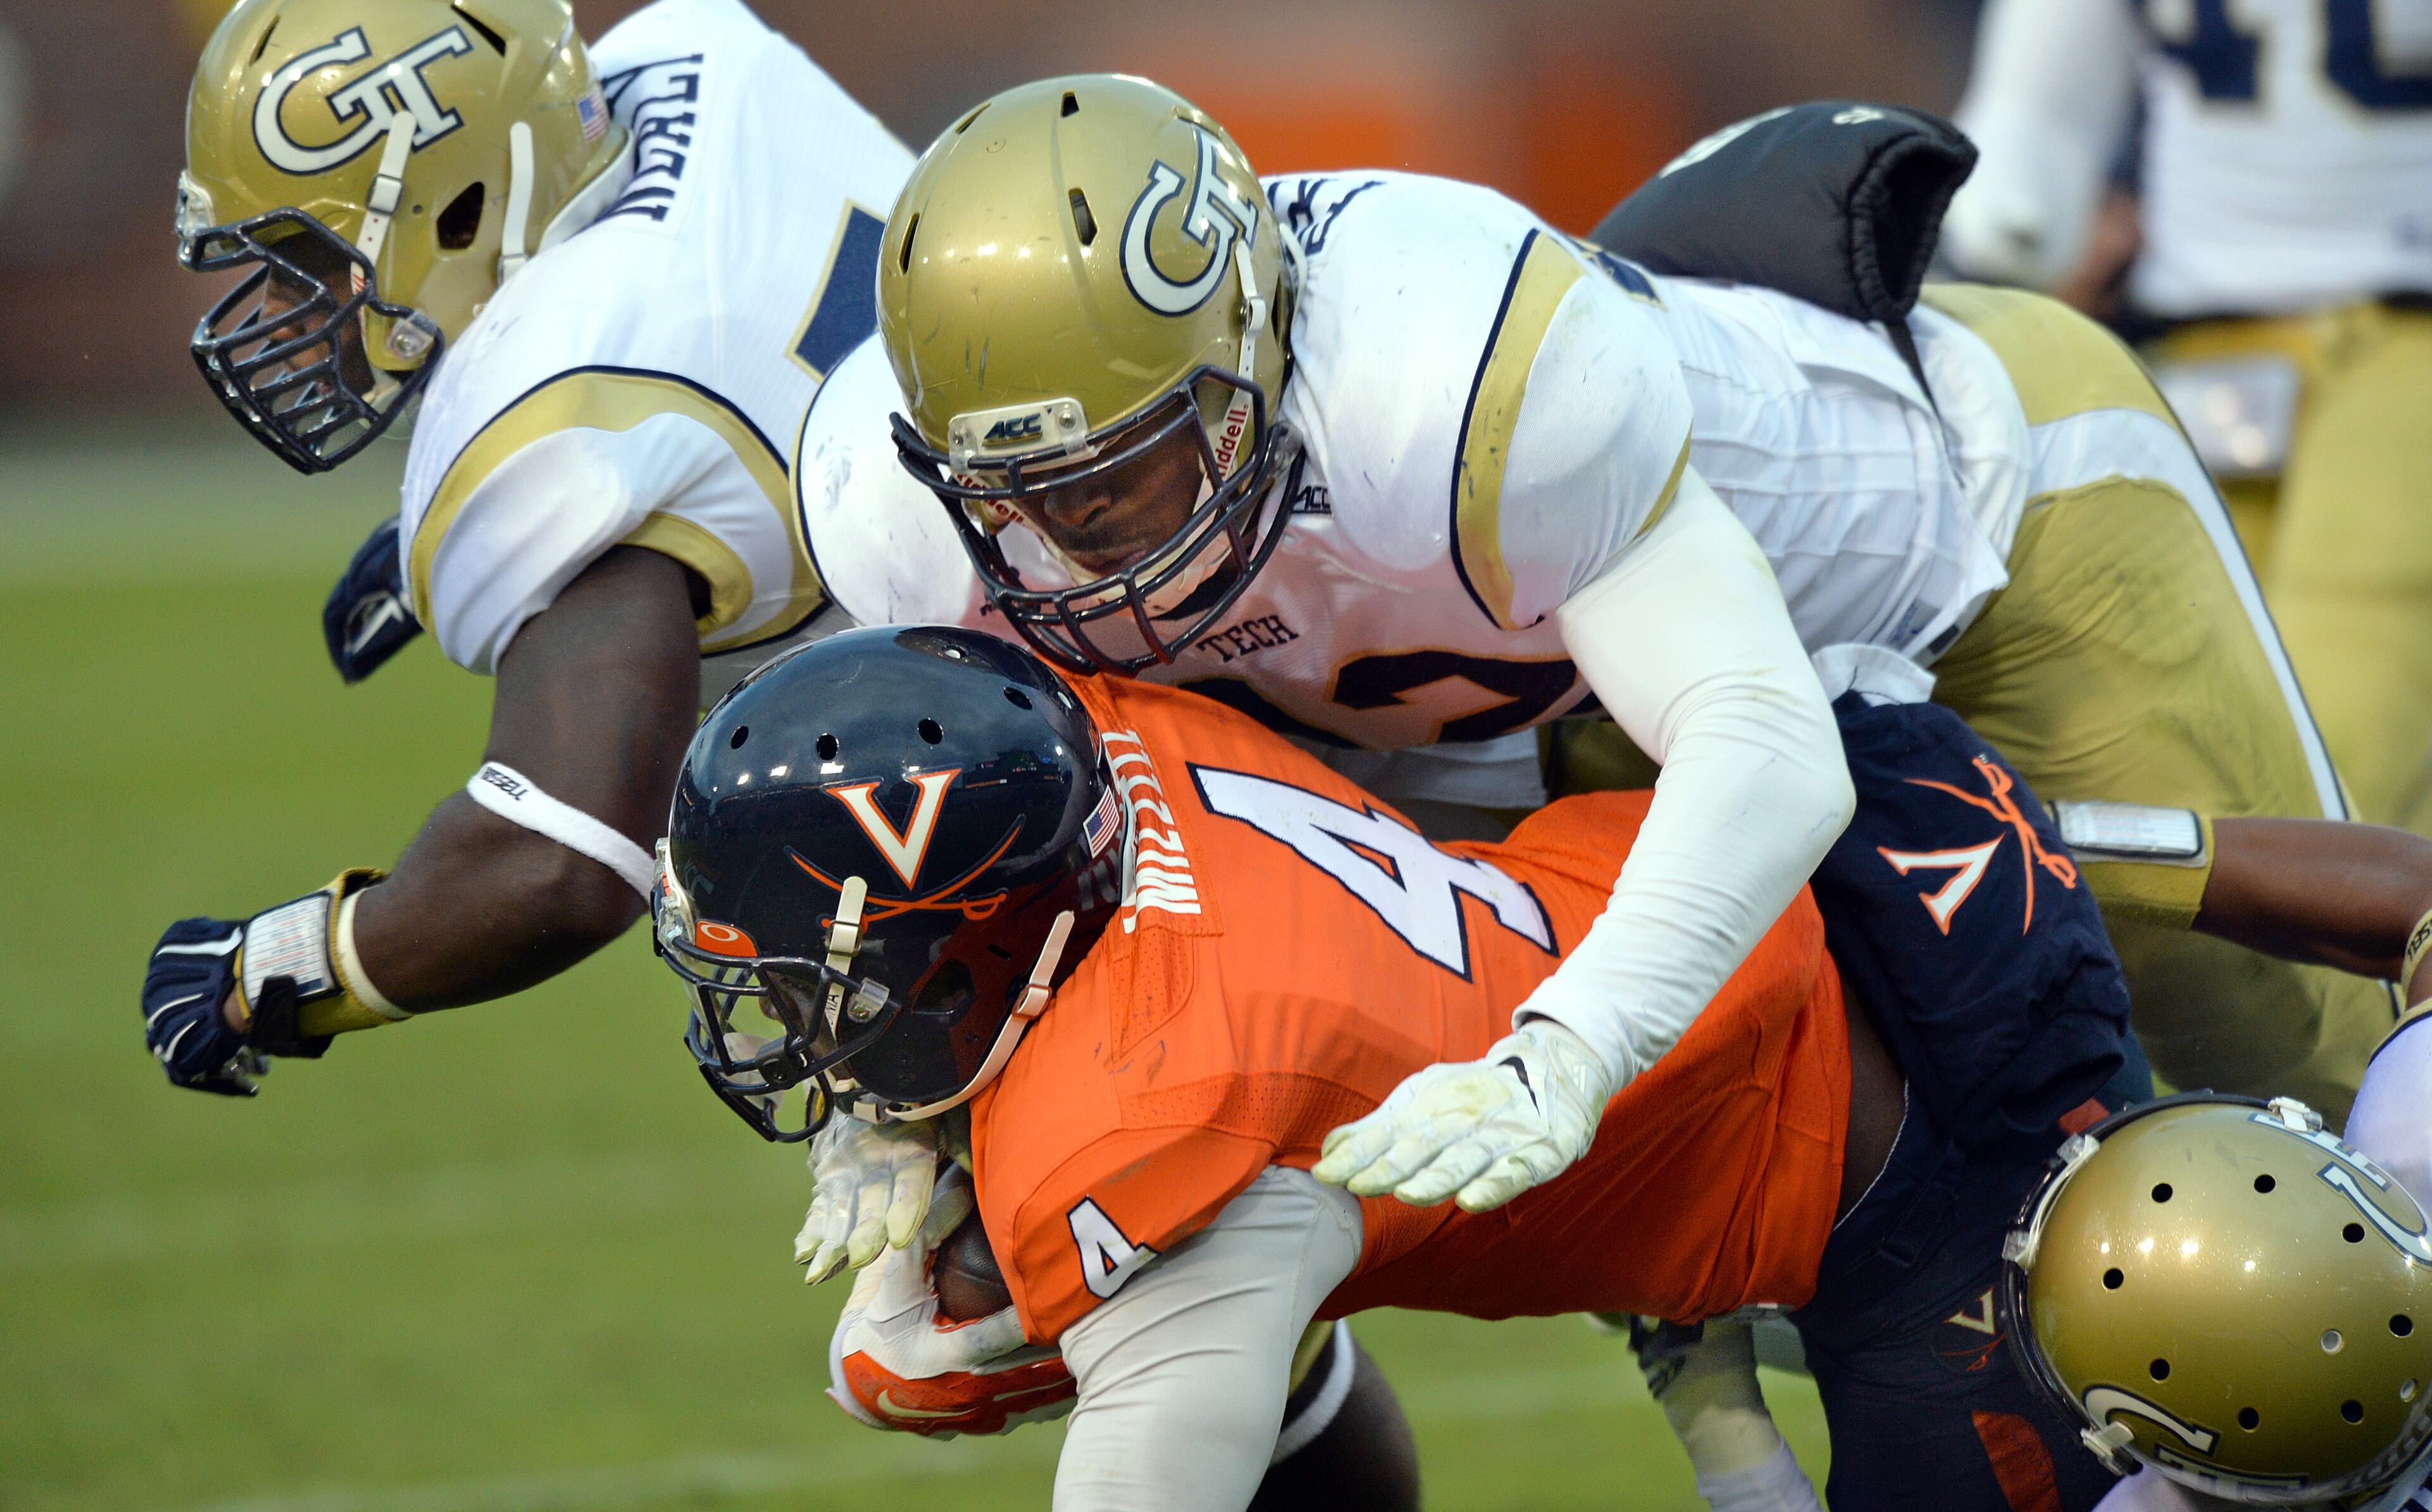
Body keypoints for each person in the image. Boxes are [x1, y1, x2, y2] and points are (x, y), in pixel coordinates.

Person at [787, 76, 2391, 1279]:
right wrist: (898, 1096)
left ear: (1261, 334)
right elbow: (996, 846)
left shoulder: (1456, 376)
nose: (1090, 535)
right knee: (1856, 1202)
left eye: (1134, 464)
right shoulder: (902, 512)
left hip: (1986, 532)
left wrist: (1569, 1051)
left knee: (2314, 1085)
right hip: (1599, 732)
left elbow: (1759, 742)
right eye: (1026, 493)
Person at [664, 626, 2432, 1512]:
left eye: (833, 986)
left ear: (972, 943)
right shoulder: (1089, 723)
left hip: (1893, 1222)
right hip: (1840, 869)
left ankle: (1702, 1347)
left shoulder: (1149, 1132)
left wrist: (933, 1296)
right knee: (2127, 866)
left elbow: (979, 1386)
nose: (804, 1026)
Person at [141, 0, 907, 1088]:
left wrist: (279, 965)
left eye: (303, 256)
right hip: (1072, 566)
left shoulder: (557, 424)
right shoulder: (685, 56)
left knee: (752, 842)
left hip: (1038, 771)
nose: (280, 307)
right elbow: (727, 361)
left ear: (458, 211)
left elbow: (561, 859)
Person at [1944, 0, 2432, 835]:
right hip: (2192, 350)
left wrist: (2013, 222)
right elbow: (2036, 117)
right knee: (2164, 716)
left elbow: (2031, 139)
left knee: (2343, 750)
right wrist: (2015, 221)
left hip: (2398, 350)